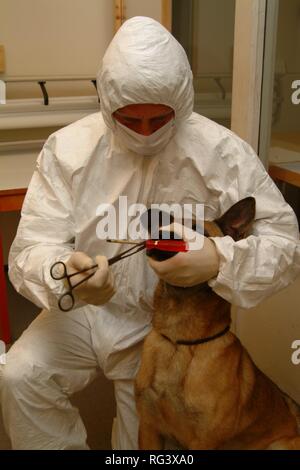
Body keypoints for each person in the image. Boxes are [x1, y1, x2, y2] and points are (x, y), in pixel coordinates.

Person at [1, 16, 299, 450]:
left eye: (158, 120)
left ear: (181, 102)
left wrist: (220, 258)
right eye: (129, 120)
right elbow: (32, 245)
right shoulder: (69, 150)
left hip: (160, 325)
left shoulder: (221, 153)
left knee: (138, 440)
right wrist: (64, 271)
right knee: (20, 376)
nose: (144, 134)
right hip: (84, 310)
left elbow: (285, 245)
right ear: (107, 105)